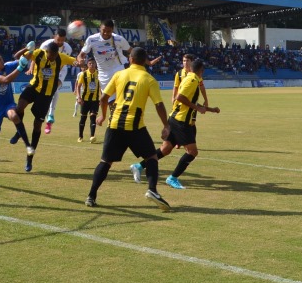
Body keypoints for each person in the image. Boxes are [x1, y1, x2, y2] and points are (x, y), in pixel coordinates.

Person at [85, 47, 172, 211]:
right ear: (145, 60)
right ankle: (152, 190)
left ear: (130, 59)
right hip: (135, 126)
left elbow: (103, 98)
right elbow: (159, 104)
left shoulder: (119, 75)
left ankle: (91, 195)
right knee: (151, 158)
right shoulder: (149, 79)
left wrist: (102, 116)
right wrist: (166, 126)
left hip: (115, 124)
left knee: (105, 162)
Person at [132, 58, 219, 189]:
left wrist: (210, 109)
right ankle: (173, 178)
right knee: (192, 152)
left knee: (165, 149)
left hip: (175, 119)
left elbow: (189, 100)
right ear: (201, 71)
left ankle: (138, 166)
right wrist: (197, 108)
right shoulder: (192, 80)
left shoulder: (190, 78)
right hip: (181, 121)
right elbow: (180, 97)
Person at [13, 41, 76, 171]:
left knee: (37, 125)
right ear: (46, 52)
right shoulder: (38, 53)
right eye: (50, 55)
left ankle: (29, 158)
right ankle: (19, 132)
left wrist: (80, 62)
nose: (52, 57)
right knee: (19, 107)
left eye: (54, 55)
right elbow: (18, 57)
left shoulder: (61, 57)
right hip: (34, 87)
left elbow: (75, 61)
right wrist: (27, 49)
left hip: (46, 95)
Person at [75, 18, 131, 96]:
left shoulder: (119, 39)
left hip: (118, 69)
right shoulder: (92, 39)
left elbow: (132, 51)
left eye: (109, 31)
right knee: (108, 100)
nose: (105, 33)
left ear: (112, 30)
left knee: (121, 96)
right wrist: (80, 60)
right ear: (100, 28)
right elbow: (80, 55)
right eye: (103, 30)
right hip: (103, 73)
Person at [39, 28, 73, 134]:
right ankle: (43, 115)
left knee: (55, 89)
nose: (60, 42)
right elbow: (38, 58)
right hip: (46, 69)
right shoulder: (45, 45)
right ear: (54, 37)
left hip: (60, 70)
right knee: (43, 94)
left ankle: (51, 116)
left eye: (62, 40)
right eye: (58, 40)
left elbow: (64, 62)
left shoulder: (68, 48)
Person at [74, 59, 101, 143]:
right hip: (85, 100)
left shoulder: (99, 74)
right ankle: (80, 136)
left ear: (95, 64)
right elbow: (78, 86)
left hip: (95, 100)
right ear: (87, 65)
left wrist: (102, 98)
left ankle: (92, 136)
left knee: (93, 117)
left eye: (93, 63)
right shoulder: (84, 74)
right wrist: (78, 97)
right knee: (83, 118)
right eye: (90, 63)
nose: (92, 65)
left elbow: (103, 87)